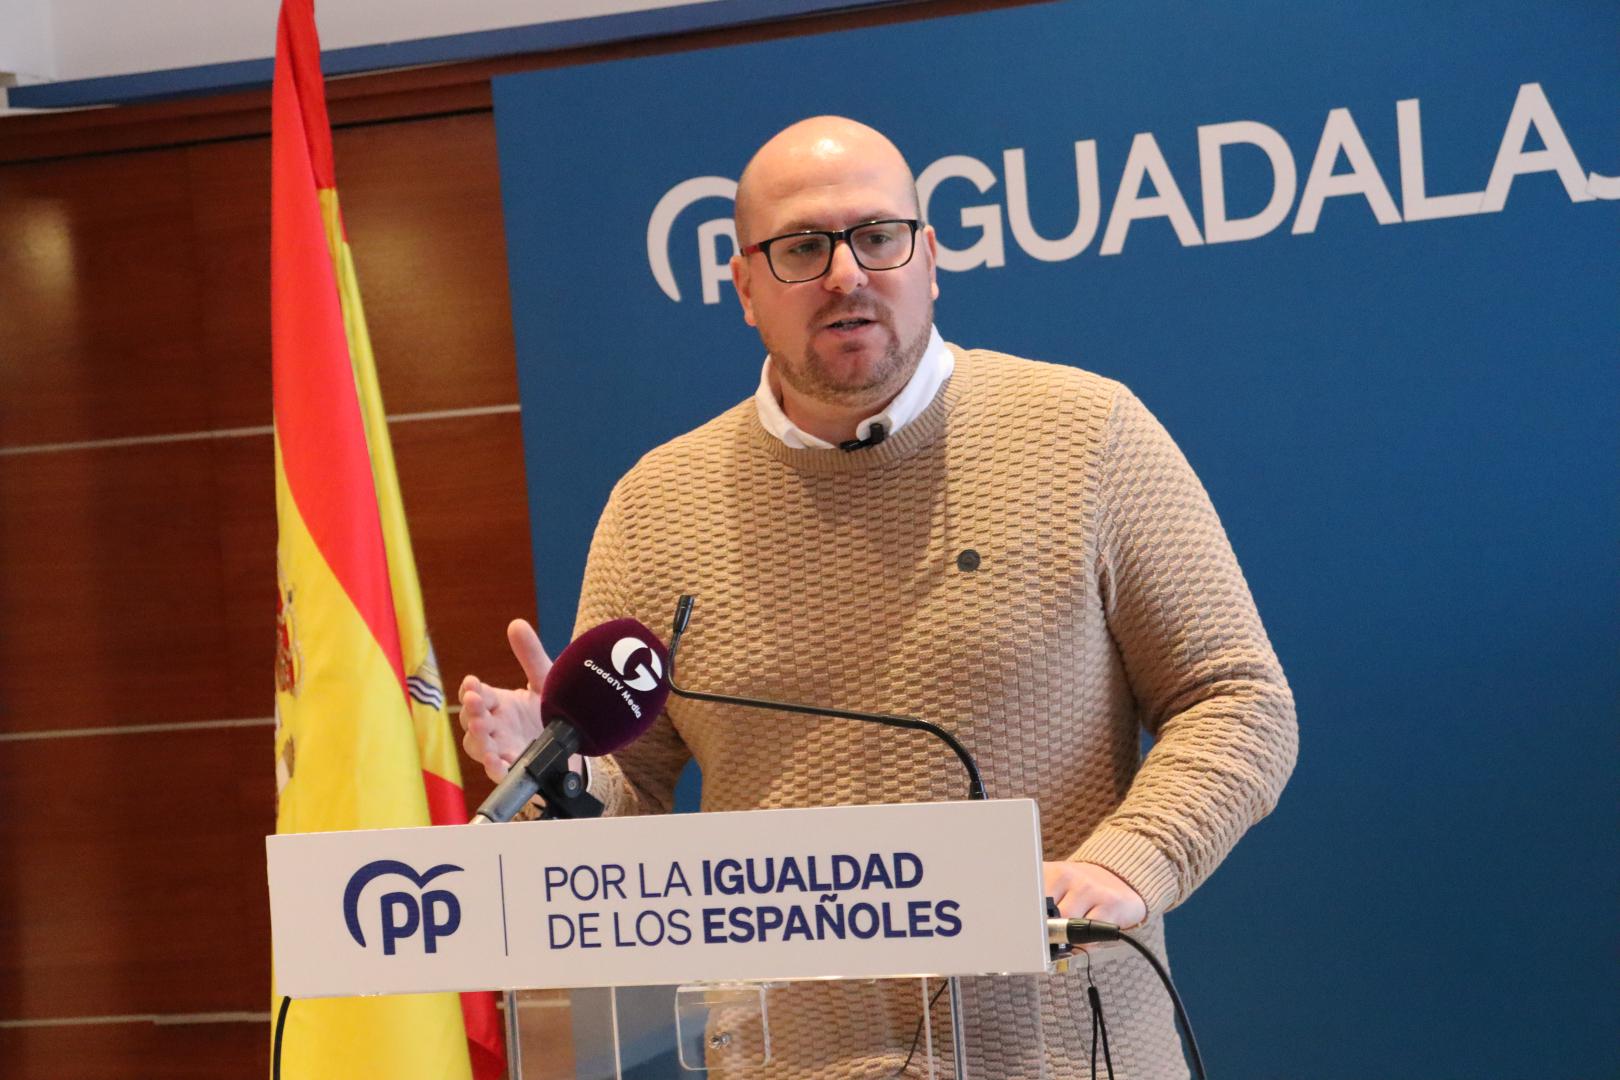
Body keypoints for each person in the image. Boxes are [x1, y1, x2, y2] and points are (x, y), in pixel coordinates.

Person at [461, 116, 1297, 1079]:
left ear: (929, 259)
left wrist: (1128, 860)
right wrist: (555, 770)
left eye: (878, 237)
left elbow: (1238, 703)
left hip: (1068, 1051)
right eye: (801, 248)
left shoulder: (1086, 435)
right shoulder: (658, 505)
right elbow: (631, 792)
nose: (846, 274)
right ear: (744, 287)